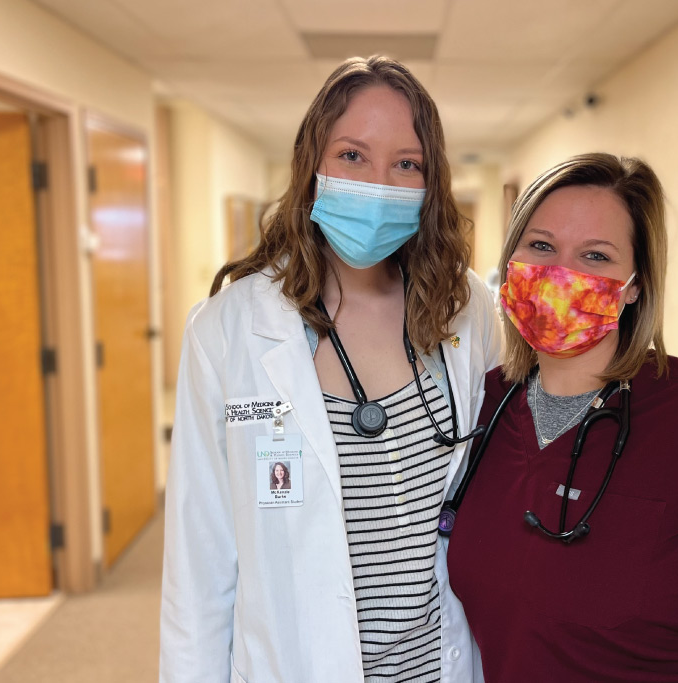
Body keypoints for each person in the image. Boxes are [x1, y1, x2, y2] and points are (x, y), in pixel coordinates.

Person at [160, 55, 501, 683]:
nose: (379, 183)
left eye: (407, 163)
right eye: (352, 155)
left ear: (431, 182)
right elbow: (199, 563)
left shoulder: (468, 309)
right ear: (310, 163)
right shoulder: (229, 329)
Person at [445, 153, 678, 682]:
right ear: (509, 264)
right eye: (542, 246)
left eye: (595, 256)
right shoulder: (484, 405)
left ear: (634, 286)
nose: (560, 275)